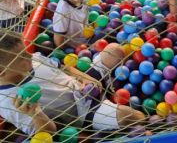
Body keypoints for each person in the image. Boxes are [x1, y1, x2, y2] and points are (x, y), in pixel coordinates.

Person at [0, 30, 146, 136]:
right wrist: (35, 112)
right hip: (83, 112)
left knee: (115, 50)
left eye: (26, 51)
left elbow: (64, 67)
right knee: (132, 117)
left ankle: (108, 86)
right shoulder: (8, 102)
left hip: (85, 87)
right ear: (2, 72)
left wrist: (85, 78)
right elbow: (47, 133)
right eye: (21, 57)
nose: (30, 56)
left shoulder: (34, 59)